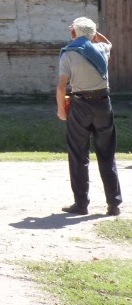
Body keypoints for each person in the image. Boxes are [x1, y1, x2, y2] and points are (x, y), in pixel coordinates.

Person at [56, 16, 123, 216]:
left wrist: (61, 110)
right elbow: (108, 42)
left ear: (73, 33)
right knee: (106, 153)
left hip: (80, 105)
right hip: (103, 103)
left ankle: (81, 203)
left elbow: (61, 87)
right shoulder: (102, 50)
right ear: (94, 35)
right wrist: (92, 34)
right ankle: (113, 204)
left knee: (78, 154)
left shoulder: (68, 54)